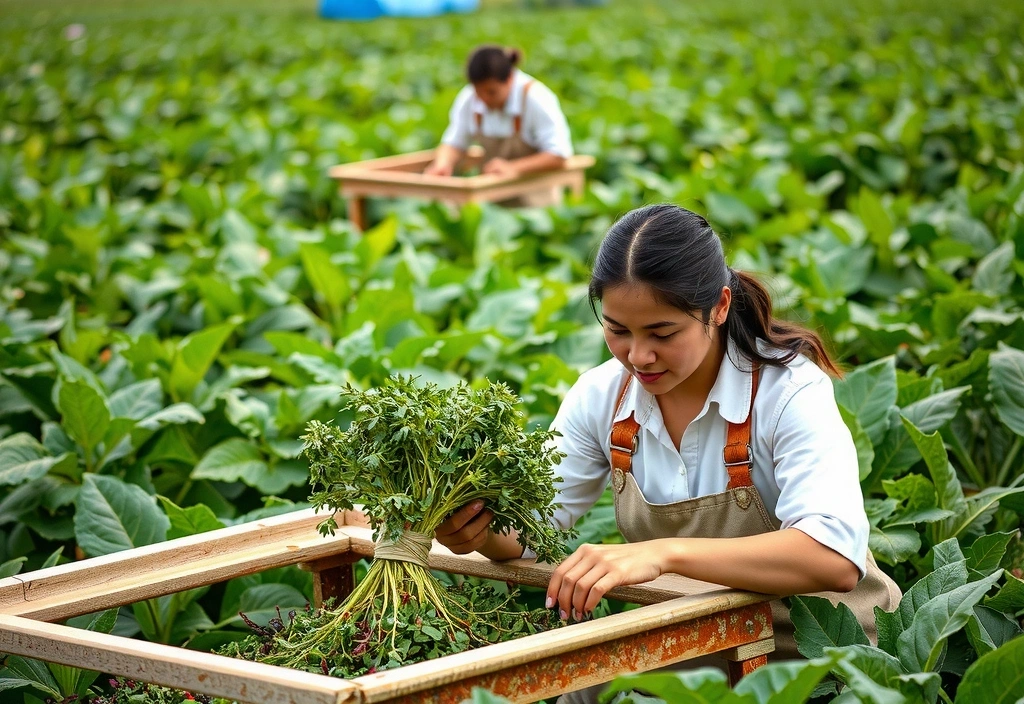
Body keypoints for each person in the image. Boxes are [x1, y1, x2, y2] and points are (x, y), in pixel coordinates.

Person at [434, 204, 901, 697]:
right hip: (694, 651)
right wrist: (477, 533)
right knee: (581, 686)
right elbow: (530, 531)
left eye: (662, 333)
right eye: (617, 330)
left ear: (718, 308)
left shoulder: (788, 393)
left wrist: (661, 554)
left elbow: (832, 557)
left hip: (822, 660)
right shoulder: (601, 399)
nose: (638, 356)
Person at [423, 45, 573, 206]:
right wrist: (443, 163)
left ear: (509, 79)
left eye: (491, 92)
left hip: (536, 202)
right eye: (479, 92)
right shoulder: (469, 99)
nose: (484, 99)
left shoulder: (537, 98)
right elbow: (454, 143)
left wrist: (515, 168)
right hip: (492, 201)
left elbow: (559, 155)